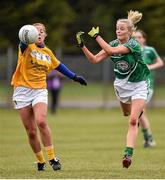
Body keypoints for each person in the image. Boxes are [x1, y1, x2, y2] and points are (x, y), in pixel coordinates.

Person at [76, 10, 150, 168]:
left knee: (132, 120)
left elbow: (111, 52)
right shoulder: (113, 43)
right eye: (117, 28)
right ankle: (136, 113)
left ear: (130, 32)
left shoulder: (133, 45)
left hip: (139, 84)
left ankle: (128, 155)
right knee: (126, 113)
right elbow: (94, 60)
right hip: (121, 85)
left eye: (122, 29)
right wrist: (82, 46)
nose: (118, 30)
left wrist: (97, 36)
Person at [11, 23, 87, 171]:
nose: (38, 33)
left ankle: (52, 158)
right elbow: (23, 40)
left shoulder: (47, 52)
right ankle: (40, 161)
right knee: (31, 131)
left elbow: (59, 66)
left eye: (41, 31)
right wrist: (26, 35)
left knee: (41, 121)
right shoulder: (26, 47)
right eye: (35, 31)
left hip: (39, 90)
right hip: (22, 90)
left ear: (45, 35)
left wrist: (75, 77)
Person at [134, 30, 164, 147]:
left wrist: (149, 67)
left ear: (144, 39)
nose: (137, 39)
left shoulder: (149, 50)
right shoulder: (131, 50)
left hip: (147, 85)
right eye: (135, 37)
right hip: (135, 86)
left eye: (139, 37)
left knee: (139, 112)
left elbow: (160, 63)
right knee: (140, 113)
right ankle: (148, 139)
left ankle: (149, 139)